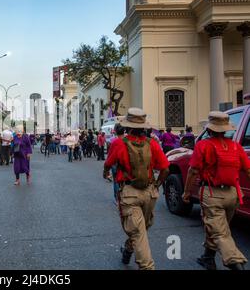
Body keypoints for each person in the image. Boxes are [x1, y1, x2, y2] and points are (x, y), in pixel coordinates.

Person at [103, 108, 169, 270]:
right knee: (141, 228)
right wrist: (157, 185)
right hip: (149, 192)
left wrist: (106, 173)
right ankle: (127, 250)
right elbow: (165, 169)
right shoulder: (152, 143)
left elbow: (108, 164)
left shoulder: (118, 143)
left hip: (129, 193)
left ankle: (147, 266)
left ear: (127, 127)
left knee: (138, 231)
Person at [183, 112, 250, 271]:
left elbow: (193, 171)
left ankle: (236, 262)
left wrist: (186, 192)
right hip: (233, 194)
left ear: (210, 129)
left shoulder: (203, 145)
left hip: (212, 194)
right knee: (217, 225)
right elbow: (248, 170)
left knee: (220, 232)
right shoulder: (236, 146)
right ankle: (208, 257)